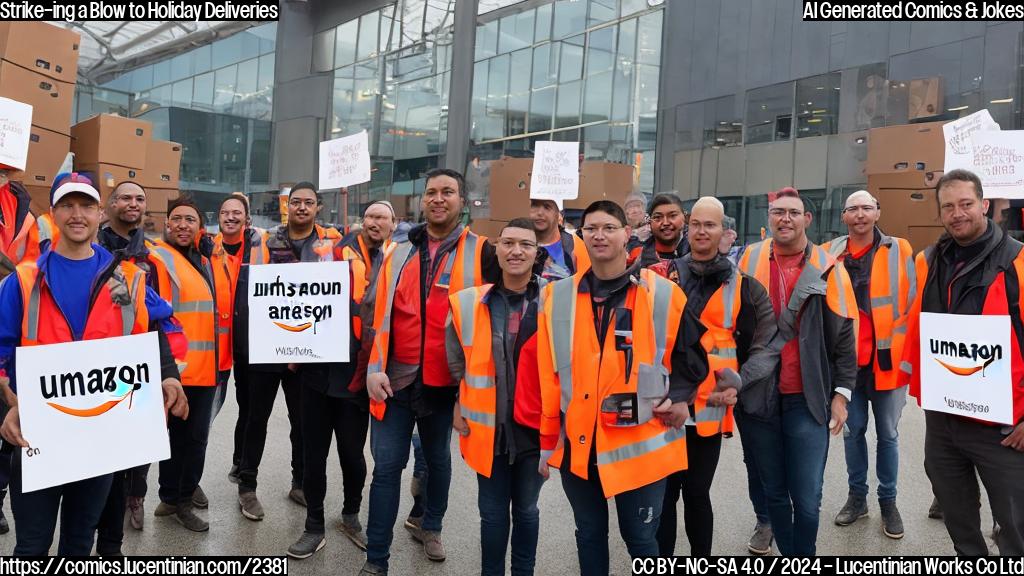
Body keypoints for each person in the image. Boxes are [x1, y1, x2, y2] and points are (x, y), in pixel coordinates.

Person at [0, 174, 188, 555]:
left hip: (101, 439)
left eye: (85, 205)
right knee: (32, 546)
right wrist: (10, 403)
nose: (77, 214)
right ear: (52, 214)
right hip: (39, 434)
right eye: (67, 205)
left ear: (99, 213)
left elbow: (162, 327)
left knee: (79, 543)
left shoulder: (131, 279)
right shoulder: (23, 280)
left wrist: (169, 377)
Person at [536, 200, 709, 575]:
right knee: (589, 534)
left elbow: (693, 360)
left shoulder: (660, 294)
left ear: (627, 234)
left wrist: (681, 399)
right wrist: (548, 442)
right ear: (581, 236)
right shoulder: (556, 297)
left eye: (609, 228)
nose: (600, 235)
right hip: (580, 446)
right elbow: (548, 374)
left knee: (642, 540)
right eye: (591, 228)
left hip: (641, 448)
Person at [360, 168, 499, 575]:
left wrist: (470, 390)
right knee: (386, 470)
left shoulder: (483, 252)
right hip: (393, 379)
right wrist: (373, 367)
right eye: (432, 192)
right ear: (423, 200)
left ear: (462, 201)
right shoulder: (397, 250)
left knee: (438, 460)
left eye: (448, 192)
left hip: (447, 384)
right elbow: (376, 313)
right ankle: (376, 560)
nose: (439, 199)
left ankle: (431, 525)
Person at [900, 169, 1024, 555]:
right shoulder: (929, 261)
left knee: (1017, 530)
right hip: (944, 421)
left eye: (966, 204)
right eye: (948, 206)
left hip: (1003, 428)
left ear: (985, 205)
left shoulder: (1018, 262)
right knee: (960, 525)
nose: (958, 213)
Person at [651, 197, 777, 556]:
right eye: (696, 225)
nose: (702, 231)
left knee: (695, 493)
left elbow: (764, 346)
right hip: (666, 403)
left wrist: (739, 380)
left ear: (724, 231)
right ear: (687, 228)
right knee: (664, 495)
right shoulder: (663, 276)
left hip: (708, 411)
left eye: (710, 225)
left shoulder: (745, 287)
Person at [736, 187, 858, 556]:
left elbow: (845, 337)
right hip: (758, 396)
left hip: (807, 397)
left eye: (793, 212)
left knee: (806, 497)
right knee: (773, 491)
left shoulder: (827, 265)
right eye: (777, 212)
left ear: (807, 219)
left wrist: (841, 395)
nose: (784, 218)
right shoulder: (748, 260)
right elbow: (733, 327)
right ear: (768, 218)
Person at [287, 200, 395, 559]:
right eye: (369, 216)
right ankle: (313, 525)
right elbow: (300, 294)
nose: (374, 222)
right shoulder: (333, 253)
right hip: (317, 372)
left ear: (394, 224)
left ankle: (350, 514)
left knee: (352, 453)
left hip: (358, 376)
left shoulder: (398, 260)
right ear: (361, 222)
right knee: (313, 453)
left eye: (381, 217)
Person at [446, 218, 547, 575]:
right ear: (497, 250)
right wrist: (459, 399)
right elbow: (456, 358)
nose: (516, 251)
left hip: (535, 431)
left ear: (537, 254)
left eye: (525, 245)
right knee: (491, 515)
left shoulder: (555, 302)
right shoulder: (468, 302)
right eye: (508, 243)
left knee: (526, 510)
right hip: (487, 430)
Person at [237, 182, 340, 521]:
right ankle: (247, 486)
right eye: (295, 202)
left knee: (304, 423)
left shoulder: (332, 243)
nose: (301, 208)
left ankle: (299, 482)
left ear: (318, 208)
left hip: (307, 350)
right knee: (257, 419)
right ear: (287, 206)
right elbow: (253, 292)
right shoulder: (263, 241)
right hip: (268, 347)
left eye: (308, 203)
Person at [822, 190, 915, 539]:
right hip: (848, 366)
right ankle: (857, 498)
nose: (860, 214)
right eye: (853, 209)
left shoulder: (899, 249)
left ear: (878, 212)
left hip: (888, 363)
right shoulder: (830, 253)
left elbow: (911, 301)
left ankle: (888, 501)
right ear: (844, 216)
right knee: (853, 431)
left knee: (888, 435)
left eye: (867, 207)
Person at [94, 181, 170, 552]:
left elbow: (158, 314)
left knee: (137, 446)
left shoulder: (154, 253)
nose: (133, 203)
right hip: (94, 365)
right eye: (125, 197)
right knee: (98, 450)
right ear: (109, 205)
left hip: (138, 362)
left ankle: (133, 498)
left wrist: (168, 368)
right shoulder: (92, 246)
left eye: (140, 198)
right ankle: (91, 514)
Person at [148, 195, 219, 532]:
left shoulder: (202, 259)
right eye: (176, 218)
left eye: (190, 220)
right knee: (175, 439)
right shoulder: (159, 257)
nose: (182, 225)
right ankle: (172, 498)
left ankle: (181, 499)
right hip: (175, 370)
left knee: (192, 441)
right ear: (167, 223)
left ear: (199, 227)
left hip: (204, 369)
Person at [215, 194, 269, 486]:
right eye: (225, 212)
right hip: (219, 344)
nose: (231, 217)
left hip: (253, 342)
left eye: (237, 212)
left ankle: (241, 462)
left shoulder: (264, 245)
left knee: (249, 407)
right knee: (210, 410)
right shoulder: (207, 247)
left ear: (247, 219)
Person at [530, 198, 589, 281]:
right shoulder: (519, 245)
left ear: (559, 216)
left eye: (547, 207)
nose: (540, 213)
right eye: (534, 206)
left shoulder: (578, 245)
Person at [629, 193, 689, 268]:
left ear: (684, 217)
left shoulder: (697, 253)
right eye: (658, 217)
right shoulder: (636, 257)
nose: (665, 223)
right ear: (649, 222)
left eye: (672, 216)